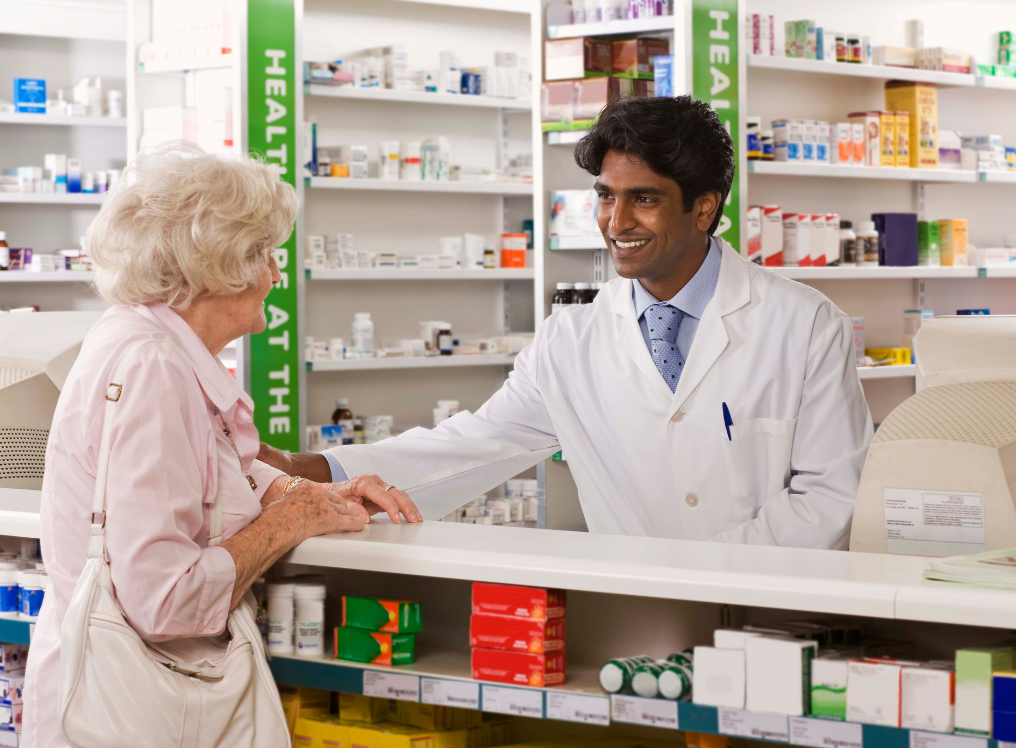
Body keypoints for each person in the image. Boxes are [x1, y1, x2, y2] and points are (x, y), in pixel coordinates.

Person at [261, 96, 873, 549]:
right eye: (606, 195)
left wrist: (713, 568)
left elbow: (828, 497)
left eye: (645, 198)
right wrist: (310, 470)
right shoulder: (572, 336)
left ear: (705, 205)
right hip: (633, 613)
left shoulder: (805, 324)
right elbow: (474, 445)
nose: (616, 220)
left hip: (772, 610)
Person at [20, 143, 420, 748]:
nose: (276, 275)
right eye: (265, 254)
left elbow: (211, 467)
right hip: (120, 742)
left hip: (122, 729)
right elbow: (164, 600)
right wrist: (290, 522)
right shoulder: (153, 366)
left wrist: (305, 495)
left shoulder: (148, 342)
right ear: (218, 265)